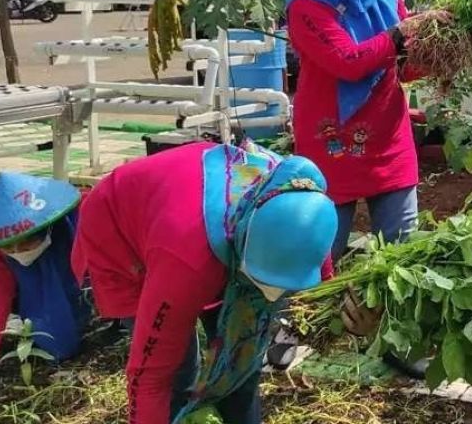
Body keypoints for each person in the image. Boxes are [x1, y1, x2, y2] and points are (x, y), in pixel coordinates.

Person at [70, 141, 337, 424]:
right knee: (177, 371)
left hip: (193, 223)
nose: (273, 294)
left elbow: (319, 273)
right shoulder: (187, 263)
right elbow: (150, 378)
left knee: (241, 363)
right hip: (122, 230)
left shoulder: (303, 204)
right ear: (243, 246)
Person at [285, 0, 447, 258]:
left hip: (388, 142)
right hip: (330, 145)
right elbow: (348, 63)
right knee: (320, 258)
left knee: (400, 261)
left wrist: (441, 56)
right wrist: (402, 31)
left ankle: (386, 316)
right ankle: (304, 315)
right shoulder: (306, 3)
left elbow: (400, 68)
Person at [0, 173, 90, 402]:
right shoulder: (5, 257)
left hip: (82, 277)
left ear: (47, 227)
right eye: (9, 248)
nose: (17, 252)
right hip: (35, 283)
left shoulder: (81, 218)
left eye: (25, 243)